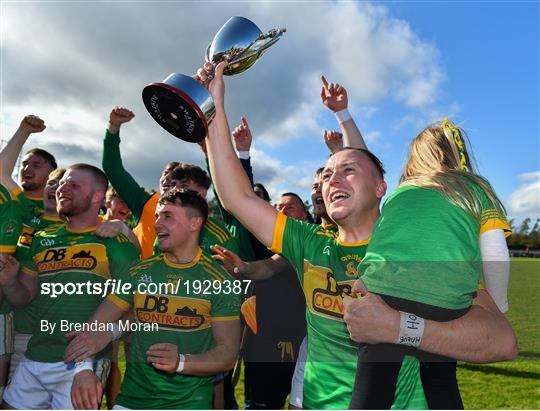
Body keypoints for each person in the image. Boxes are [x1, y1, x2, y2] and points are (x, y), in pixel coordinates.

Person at [195, 62, 518, 409]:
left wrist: (399, 327)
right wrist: (213, 108)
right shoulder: (308, 242)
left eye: (347, 171)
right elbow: (237, 197)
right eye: (328, 175)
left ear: (383, 189)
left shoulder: (414, 253)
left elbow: (501, 341)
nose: (332, 180)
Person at [347, 119, 513, 409]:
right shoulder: (475, 188)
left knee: (371, 390)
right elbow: (496, 253)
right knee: (441, 380)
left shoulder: (399, 193)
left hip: (383, 291)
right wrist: (498, 306)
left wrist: (367, 283)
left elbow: (382, 243)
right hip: (445, 299)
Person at [64, 188, 241, 410]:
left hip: (188, 404)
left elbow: (227, 354)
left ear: (194, 223)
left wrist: (181, 363)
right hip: (131, 401)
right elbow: (96, 325)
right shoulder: (137, 271)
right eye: (157, 216)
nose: (156, 224)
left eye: (167, 216)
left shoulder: (219, 280)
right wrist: (83, 370)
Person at [0, 163, 139, 409]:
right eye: (62, 183)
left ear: (97, 196)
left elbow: (126, 297)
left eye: (74, 185)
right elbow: (25, 297)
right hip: (36, 355)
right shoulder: (42, 240)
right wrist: (10, 281)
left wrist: (85, 353)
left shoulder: (115, 243)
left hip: (83, 364)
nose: (63, 188)